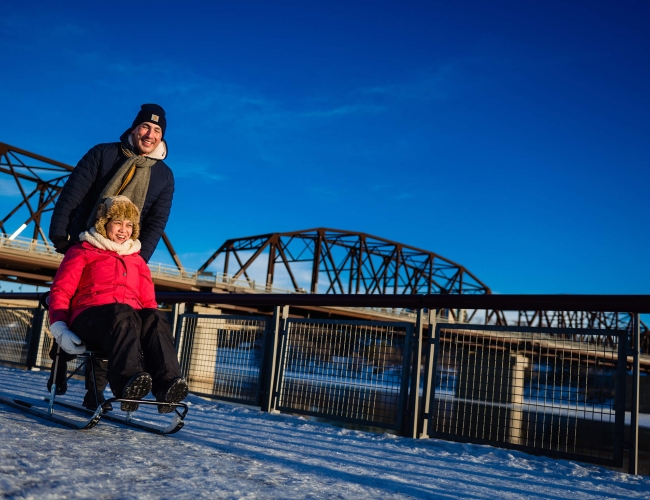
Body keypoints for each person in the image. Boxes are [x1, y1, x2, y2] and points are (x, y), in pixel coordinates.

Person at [46, 103, 175, 410]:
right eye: (145, 127)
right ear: (133, 129)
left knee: (132, 315)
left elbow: (157, 220)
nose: (150, 134)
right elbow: (73, 192)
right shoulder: (104, 153)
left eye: (157, 130)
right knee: (83, 298)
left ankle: (162, 387)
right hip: (86, 240)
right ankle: (64, 371)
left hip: (127, 253)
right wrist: (61, 234)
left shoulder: (164, 176)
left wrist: (137, 256)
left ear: (162, 138)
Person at [48, 196, 188, 413]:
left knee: (155, 316)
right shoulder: (82, 251)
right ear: (104, 224)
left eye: (129, 225)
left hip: (125, 322)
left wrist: (149, 317)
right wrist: (59, 326)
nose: (124, 230)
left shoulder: (137, 260)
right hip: (88, 318)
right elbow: (61, 290)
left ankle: (168, 385)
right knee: (122, 312)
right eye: (118, 223)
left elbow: (148, 301)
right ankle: (127, 383)